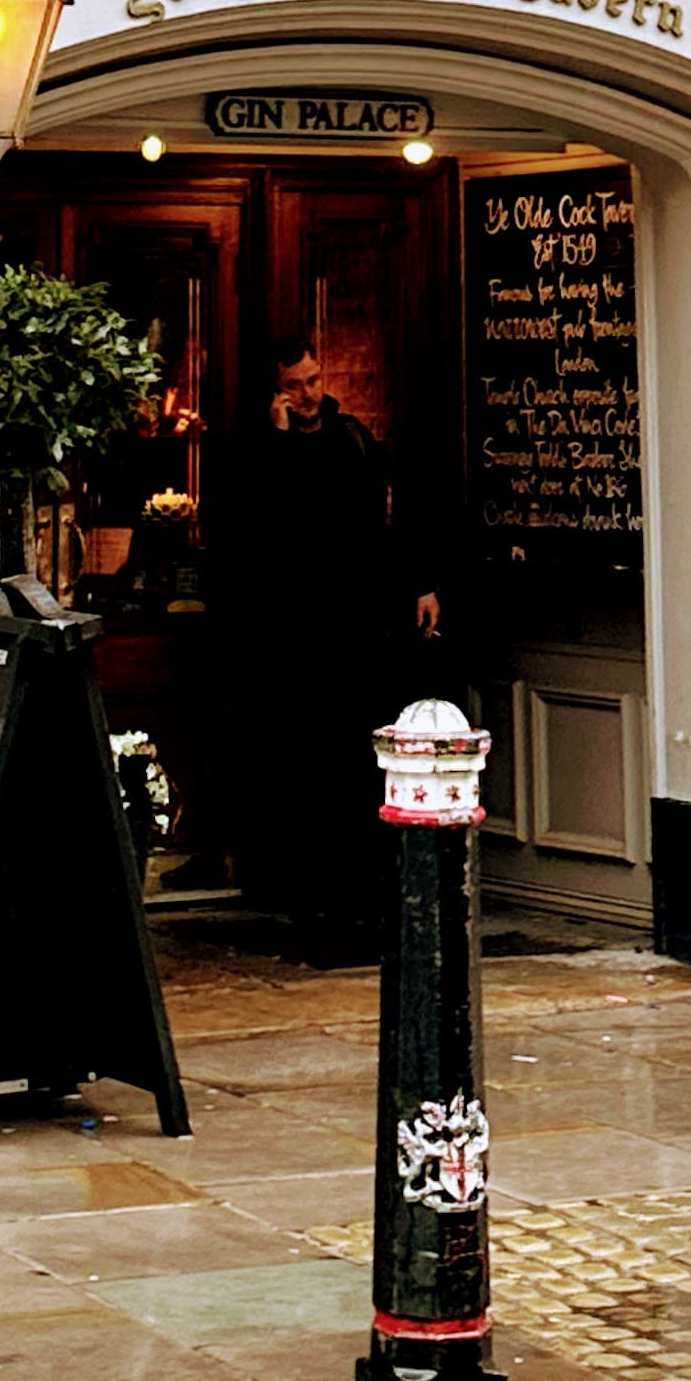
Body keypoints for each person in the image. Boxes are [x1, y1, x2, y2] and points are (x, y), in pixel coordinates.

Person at [234, 334, 442, 953]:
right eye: (295, 384)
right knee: (304, 758)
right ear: (274, 390)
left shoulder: (351, 435)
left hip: (356, 621)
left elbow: (385, 516)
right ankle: (305, 891)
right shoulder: (261, 448)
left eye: (315, 378)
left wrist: (421, 583)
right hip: (292, 627)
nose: (309, 393)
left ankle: (361, 888)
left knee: (356, 753)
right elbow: (265, 520)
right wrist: (276, 440)